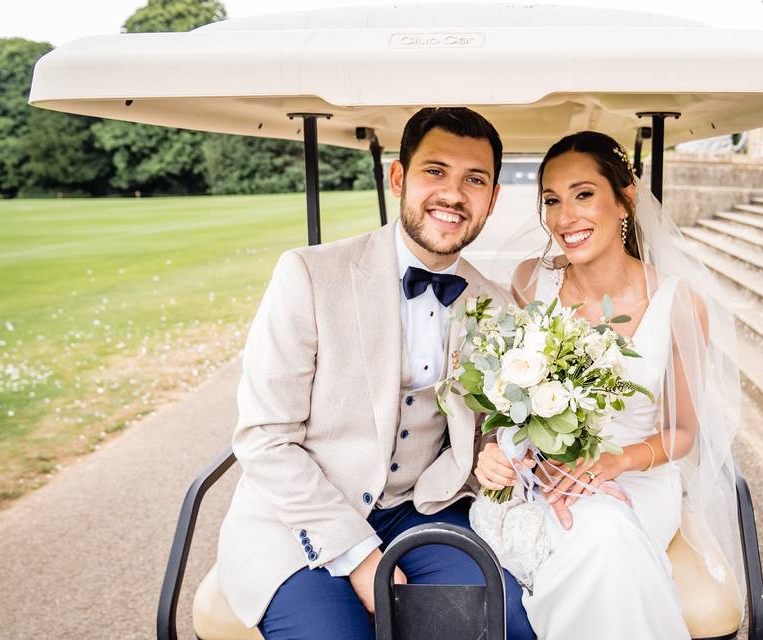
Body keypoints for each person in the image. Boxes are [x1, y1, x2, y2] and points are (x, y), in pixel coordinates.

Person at [216, 107, 534, 640]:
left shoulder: (499, 306)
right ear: (398, 177)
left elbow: (487, 435)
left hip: (424, 513)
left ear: (493, 198)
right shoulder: (310, 275)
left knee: (508, 625)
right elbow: (265, 438)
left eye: (473, 180)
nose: (453, 194)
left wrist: (498, 451)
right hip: (296, 523)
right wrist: (361, 555)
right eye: (435, 171)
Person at [473, 131, 744, 638]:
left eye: (582, 194)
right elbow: (512, 400)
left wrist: (615, 462)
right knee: (595, 532)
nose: (564, 217)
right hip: (546, 477)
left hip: (637, 479)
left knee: (605, 530)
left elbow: (683, 431)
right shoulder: (531, 282)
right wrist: (500, 451)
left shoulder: (681, 303)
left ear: (625, 198)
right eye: (551, 200)